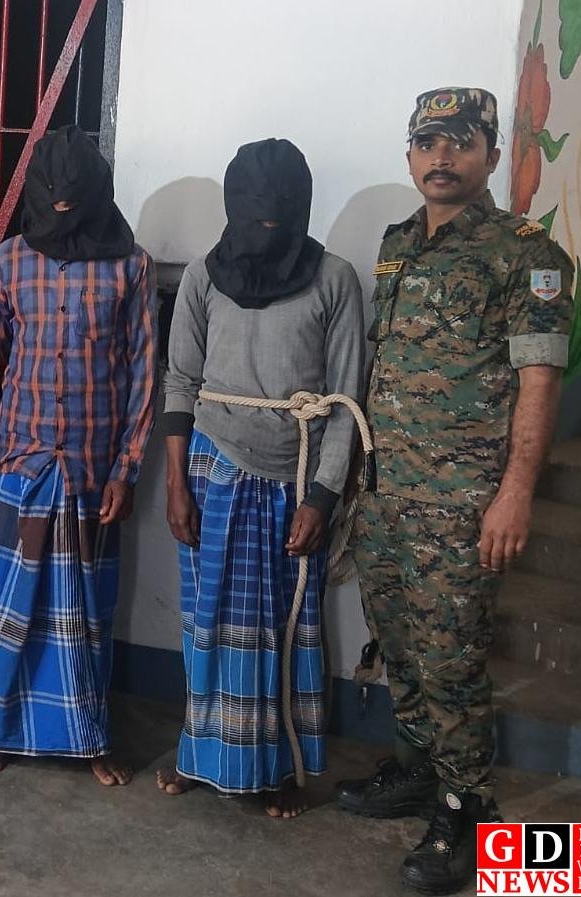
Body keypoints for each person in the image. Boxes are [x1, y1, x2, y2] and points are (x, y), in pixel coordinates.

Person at [336, 87, 573, 894]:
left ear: (491, 155)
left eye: (460, 141)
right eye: (427, 141)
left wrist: (515, 493)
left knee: (452, 661)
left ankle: (465, 810)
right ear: (409, 154)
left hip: (461, 505)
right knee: (400, 644)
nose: (441, 156)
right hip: (385, 497)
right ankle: (416, 769)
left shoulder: (526, 256)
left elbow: (538, 382)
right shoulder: (396, 244)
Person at [158, 138, 366, 817]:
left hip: (292, 480)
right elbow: (180, 381)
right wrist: (174, 484)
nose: (265, 225)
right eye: (252, 211)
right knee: (207, 622)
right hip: (212, 467)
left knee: (283, 628)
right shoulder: (201, 277)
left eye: (278, 211)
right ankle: (200, 752)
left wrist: (322, 496)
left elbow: (346, 398)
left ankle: (278, 768)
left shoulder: (333, 279)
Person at [0, 125, 157, 785]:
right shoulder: (10, 261)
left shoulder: (131, 266)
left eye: (73, 191)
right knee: (9, 606)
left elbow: (143, 374)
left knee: (85, 613)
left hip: (92, 470)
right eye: (50, 191)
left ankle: (88, 736)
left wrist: (127, 468)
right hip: (23, 462)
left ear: (95, 190)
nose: (61, 202)